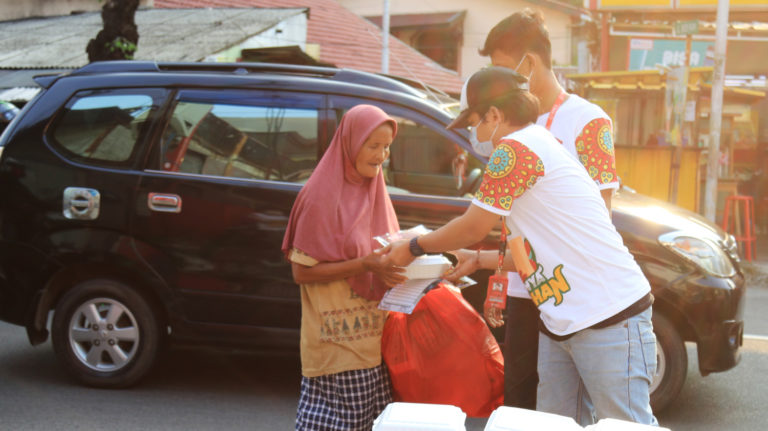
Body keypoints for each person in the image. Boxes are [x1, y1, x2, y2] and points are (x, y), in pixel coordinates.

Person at [385, 67, 657, 426]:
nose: (473, 134)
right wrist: (478, 260)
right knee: (555, 425)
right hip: (561, 322)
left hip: (609, 316)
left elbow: (472, 225)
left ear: (495, 115)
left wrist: (415, 246)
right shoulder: (538, 144)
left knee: (625, 426)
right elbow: (539, 251)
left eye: (474, 123)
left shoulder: (515, 150)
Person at [464, 9, 622, 412]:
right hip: (522, 292)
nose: (495, 83)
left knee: (572, 411)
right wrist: (491, 267)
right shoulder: (506, 123)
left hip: (572, 298)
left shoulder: (588, 122)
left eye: (502, 70)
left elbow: (596, 227)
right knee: (519, 404)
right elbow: (511, 219)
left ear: (528, 65)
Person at [281, 104, 407, 431]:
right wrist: (364, 264)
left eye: (386, 147)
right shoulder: (320, 197)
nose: (381, 155)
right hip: (336, 348)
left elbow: (385, 249)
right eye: (373, 145)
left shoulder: (374, 190)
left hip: (375, 344)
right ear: (351, 143)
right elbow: (301, 273)